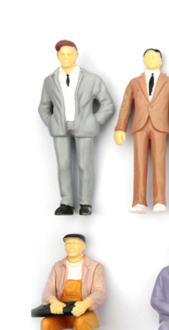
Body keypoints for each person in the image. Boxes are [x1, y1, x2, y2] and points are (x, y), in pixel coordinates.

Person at [38, 40, 114, 216]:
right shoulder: (49, 81)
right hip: (60, 128)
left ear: (77, 55)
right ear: (57, 56)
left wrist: (94, 121)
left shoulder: (92, 79)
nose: (67, 57)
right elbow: (43, 107)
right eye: (63, 54)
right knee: (63, 165)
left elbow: (108, 104)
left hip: (84, 127)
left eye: (70, 54)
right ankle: (66, 202)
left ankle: (85, 202)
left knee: (84, 165)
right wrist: (51, 122)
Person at [114, 49, 169, 214]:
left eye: (155, 57)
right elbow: (125, 106)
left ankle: (159, 200)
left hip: (159, 126)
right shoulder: (134, 82)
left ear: (161, 60)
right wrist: (120, 128)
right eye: (148, 57)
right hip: (139, 126)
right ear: (143, 60)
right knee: (139, 163)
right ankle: (139, 201)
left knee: (159, 163)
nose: (152, 59)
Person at [38, 234, 106, 330]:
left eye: (75, 243)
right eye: (67, 244)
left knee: (81, 322)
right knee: (46, 323)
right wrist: (53, 301)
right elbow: (48, 289)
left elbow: (100, 292)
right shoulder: (57, 267)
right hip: (62, 312)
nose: (70, 247)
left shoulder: (95, 267)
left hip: (85, 311)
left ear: (83, 246)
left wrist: (86, 303)